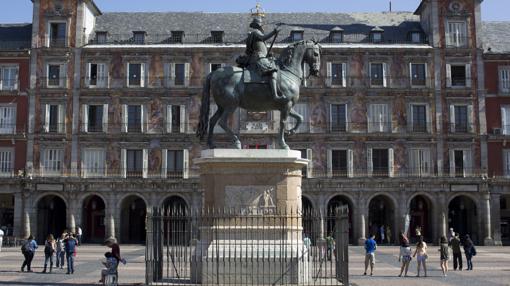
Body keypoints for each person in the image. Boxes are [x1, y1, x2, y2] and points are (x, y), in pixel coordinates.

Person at [241, 17, 283, 102]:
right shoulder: (255, 32)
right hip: (258, 57)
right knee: (273, 71)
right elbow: (264, 38)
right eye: (261, 25)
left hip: (261, 56)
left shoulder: (255, 33)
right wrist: (274, 32)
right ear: (259, 25)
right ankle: (275, 95)